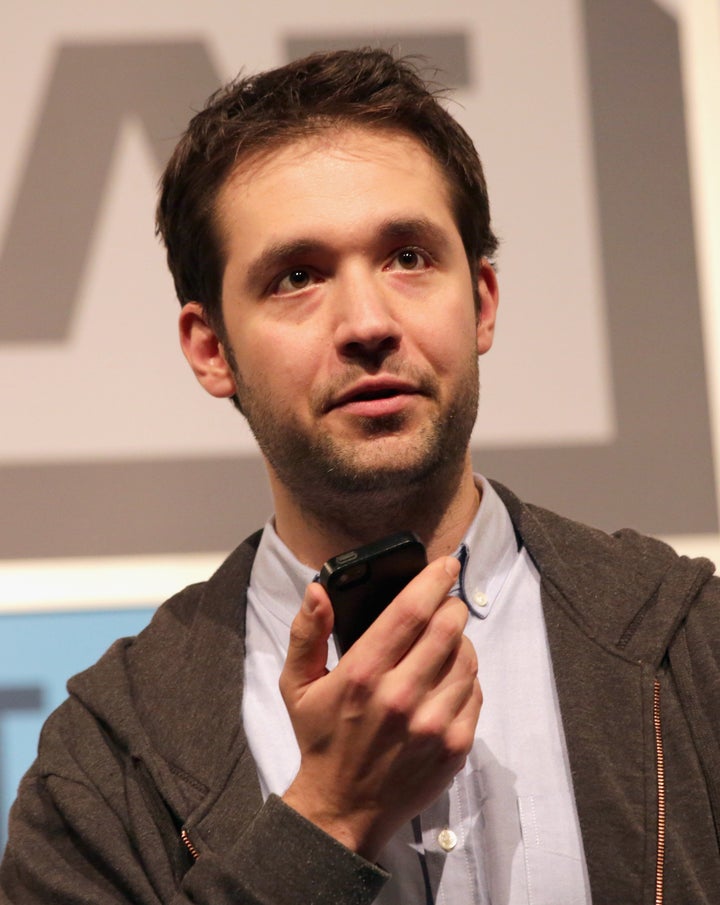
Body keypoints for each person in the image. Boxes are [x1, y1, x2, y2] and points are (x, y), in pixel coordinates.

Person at [1, 48, 719, 905]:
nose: (369, 322)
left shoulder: (695, 647)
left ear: (482, 299)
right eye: (297, 277)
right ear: (210, 348)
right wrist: (327, 819)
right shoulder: (103, 760)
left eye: (409, 257)